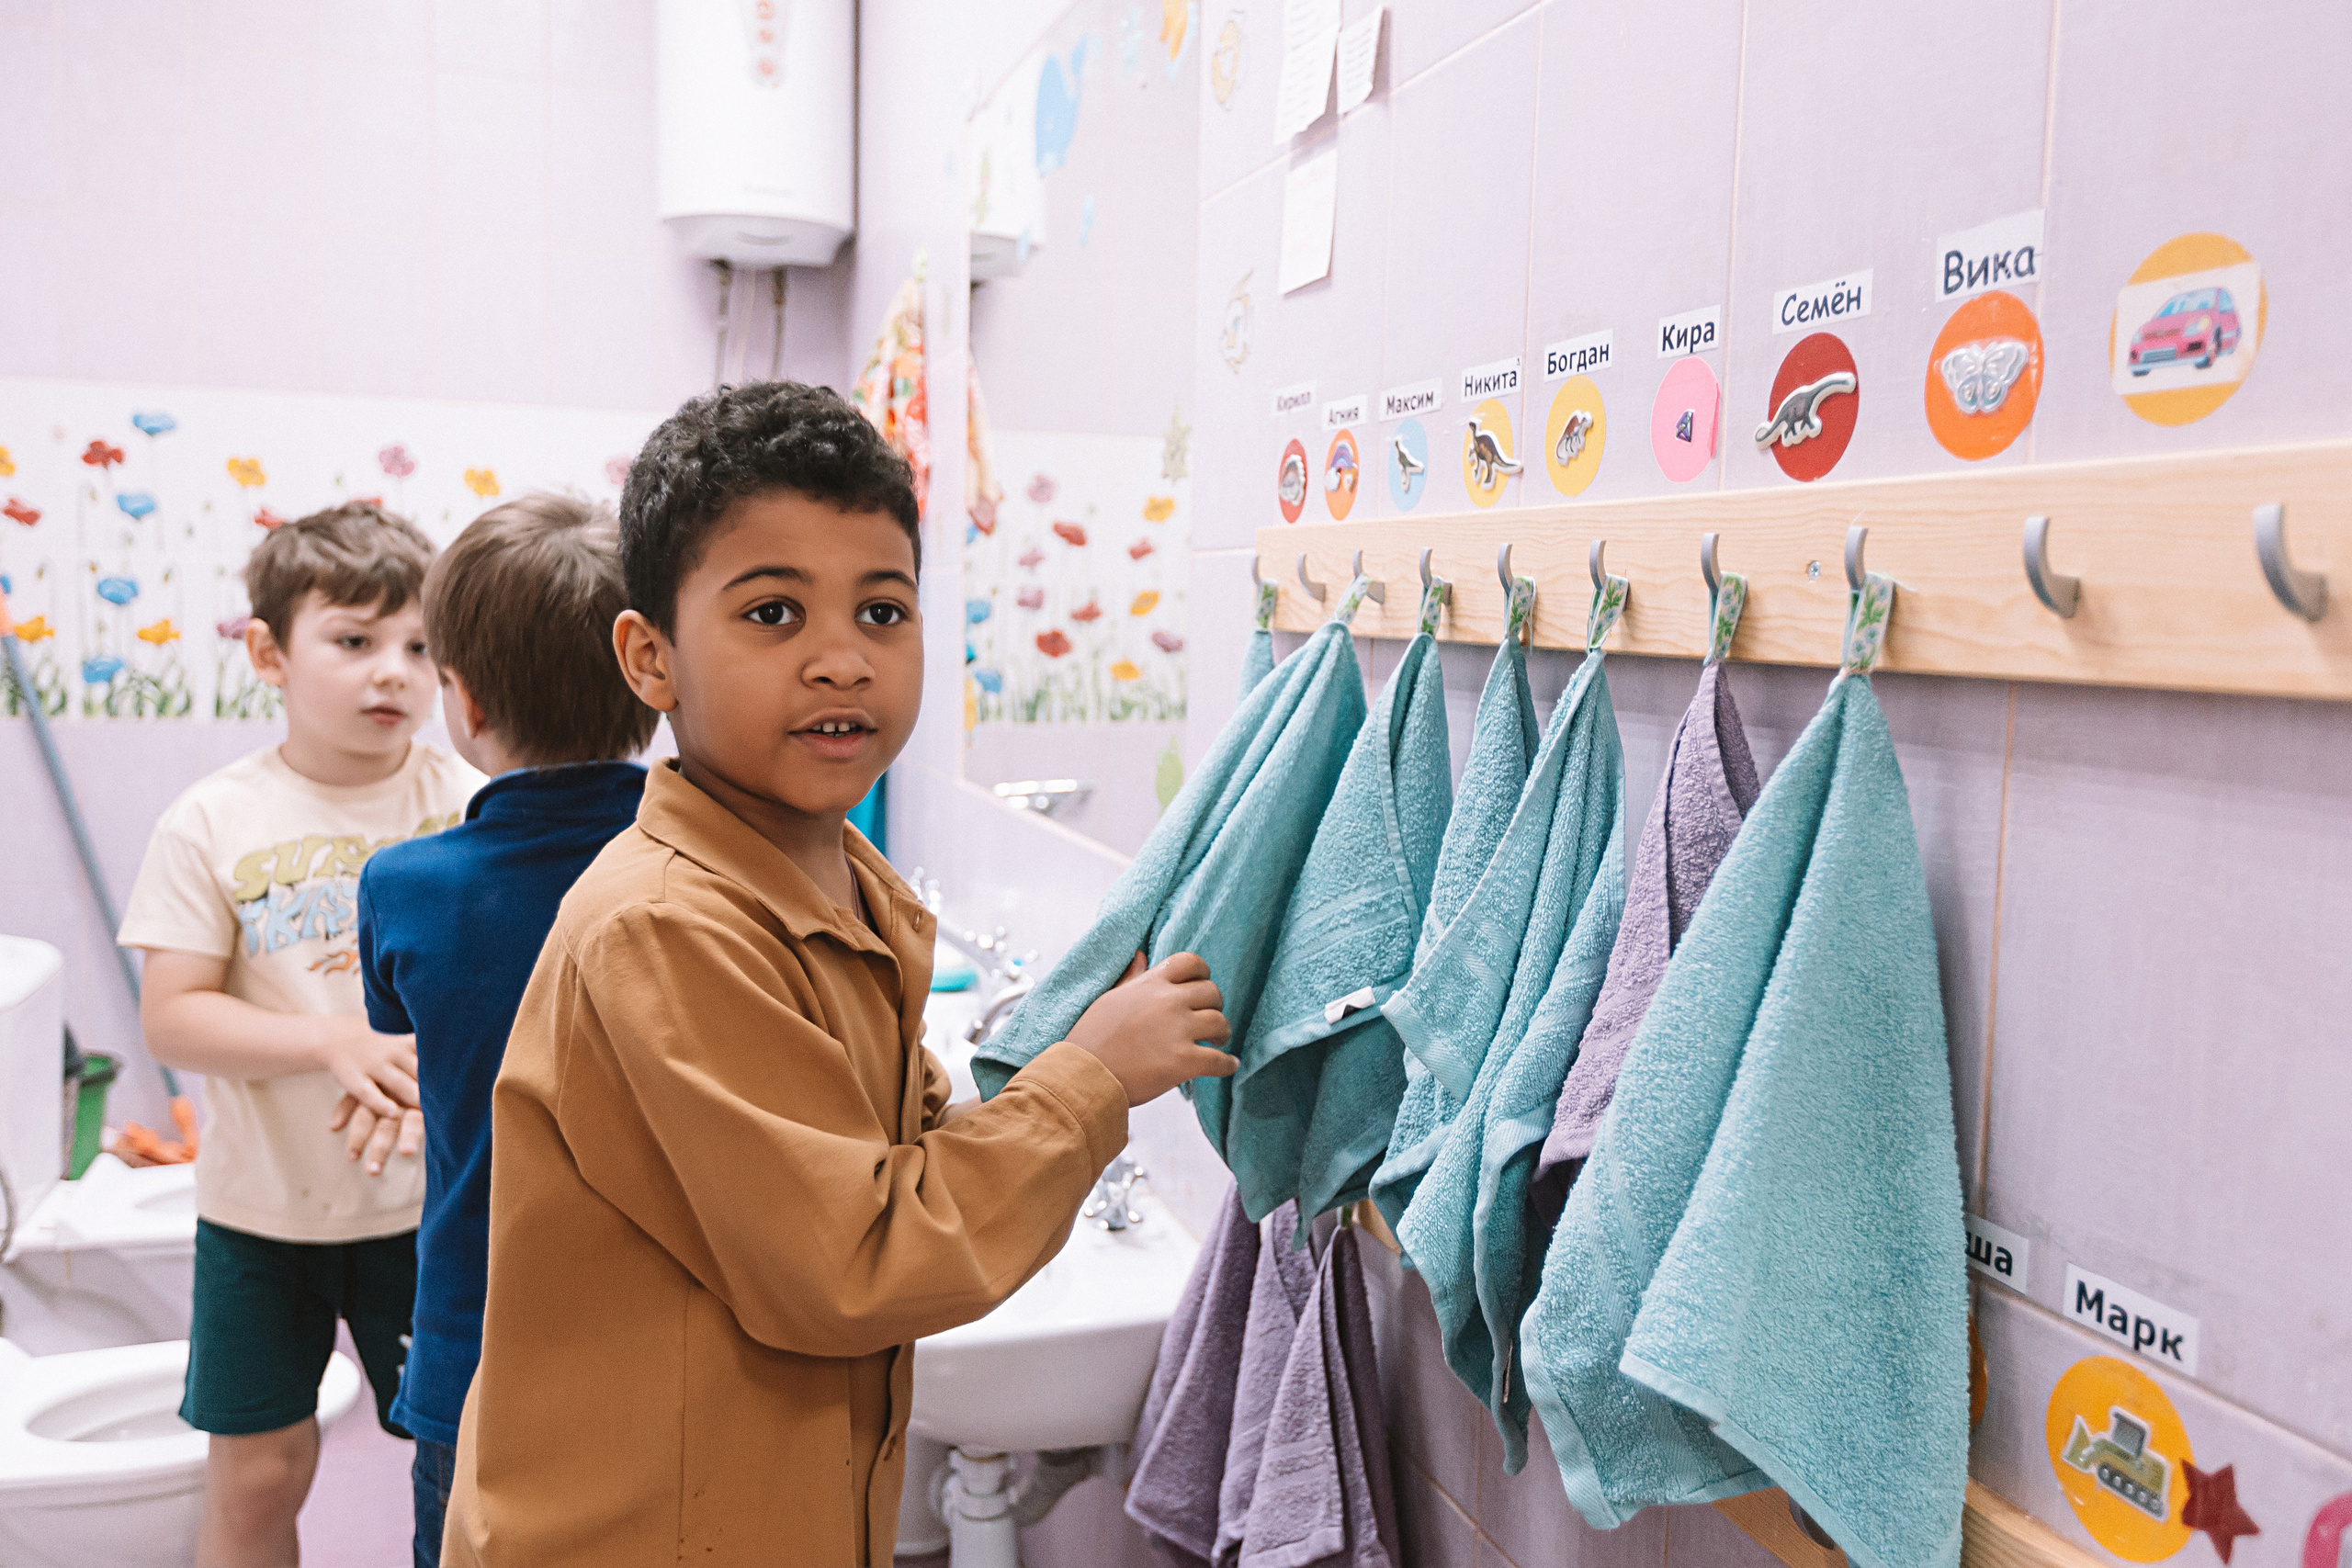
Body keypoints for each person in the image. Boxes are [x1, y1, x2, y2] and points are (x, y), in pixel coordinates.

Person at [441, 383, 1235, 1567]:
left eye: (881, 610)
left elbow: (887, 1154)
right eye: (772, 613)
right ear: (649, 658)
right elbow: (857, 1262)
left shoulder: (833, 888)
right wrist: (1090, 1083)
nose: (841, 661)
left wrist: (1062, 1053)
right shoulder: (667, 928)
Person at [119, 502, 484, 1568]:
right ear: (269, 653)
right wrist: (332, 1045)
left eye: (418, 647)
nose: (393, 674)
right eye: (355, 641)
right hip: (260, 1214)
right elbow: (173, 1014)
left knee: (466, 1466)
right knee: (258, 1476)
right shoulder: (212, 820)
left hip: (432, 1210)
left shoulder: (467, 807)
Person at [348, 492, 657, 1568]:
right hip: (674, 1357)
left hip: (478, 1351)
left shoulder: (406, 888)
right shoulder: (720, 869)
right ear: (651, 678)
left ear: (465, 701)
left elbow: (409, 1030)